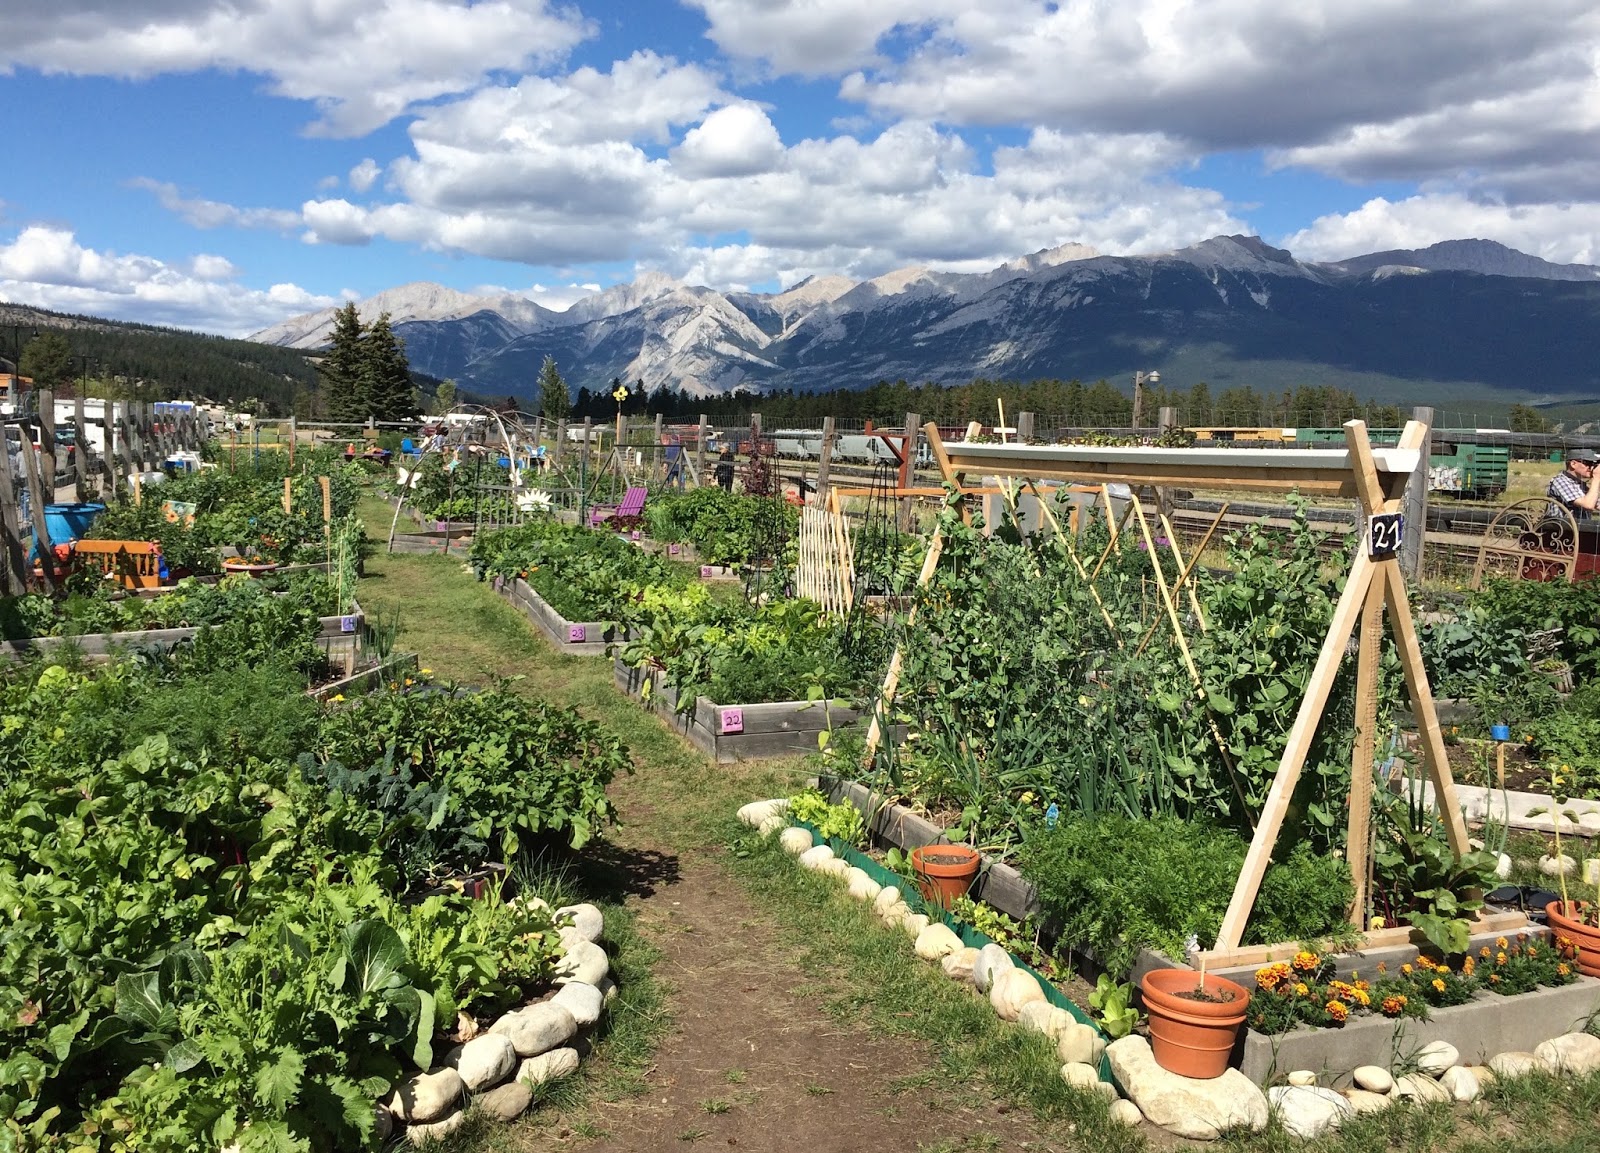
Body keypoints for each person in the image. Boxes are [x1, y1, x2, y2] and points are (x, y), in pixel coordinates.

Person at [1546, 449, 1600, 521]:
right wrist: (1596, 478)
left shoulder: (1579, 484)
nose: (1591, 467)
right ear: (1573, 464)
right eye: (1588, 463)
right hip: (1561, 529)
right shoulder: (1560, 481)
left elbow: (1597, 504)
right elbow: (1588, 504)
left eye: (1593, 464)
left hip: (1580, 528)